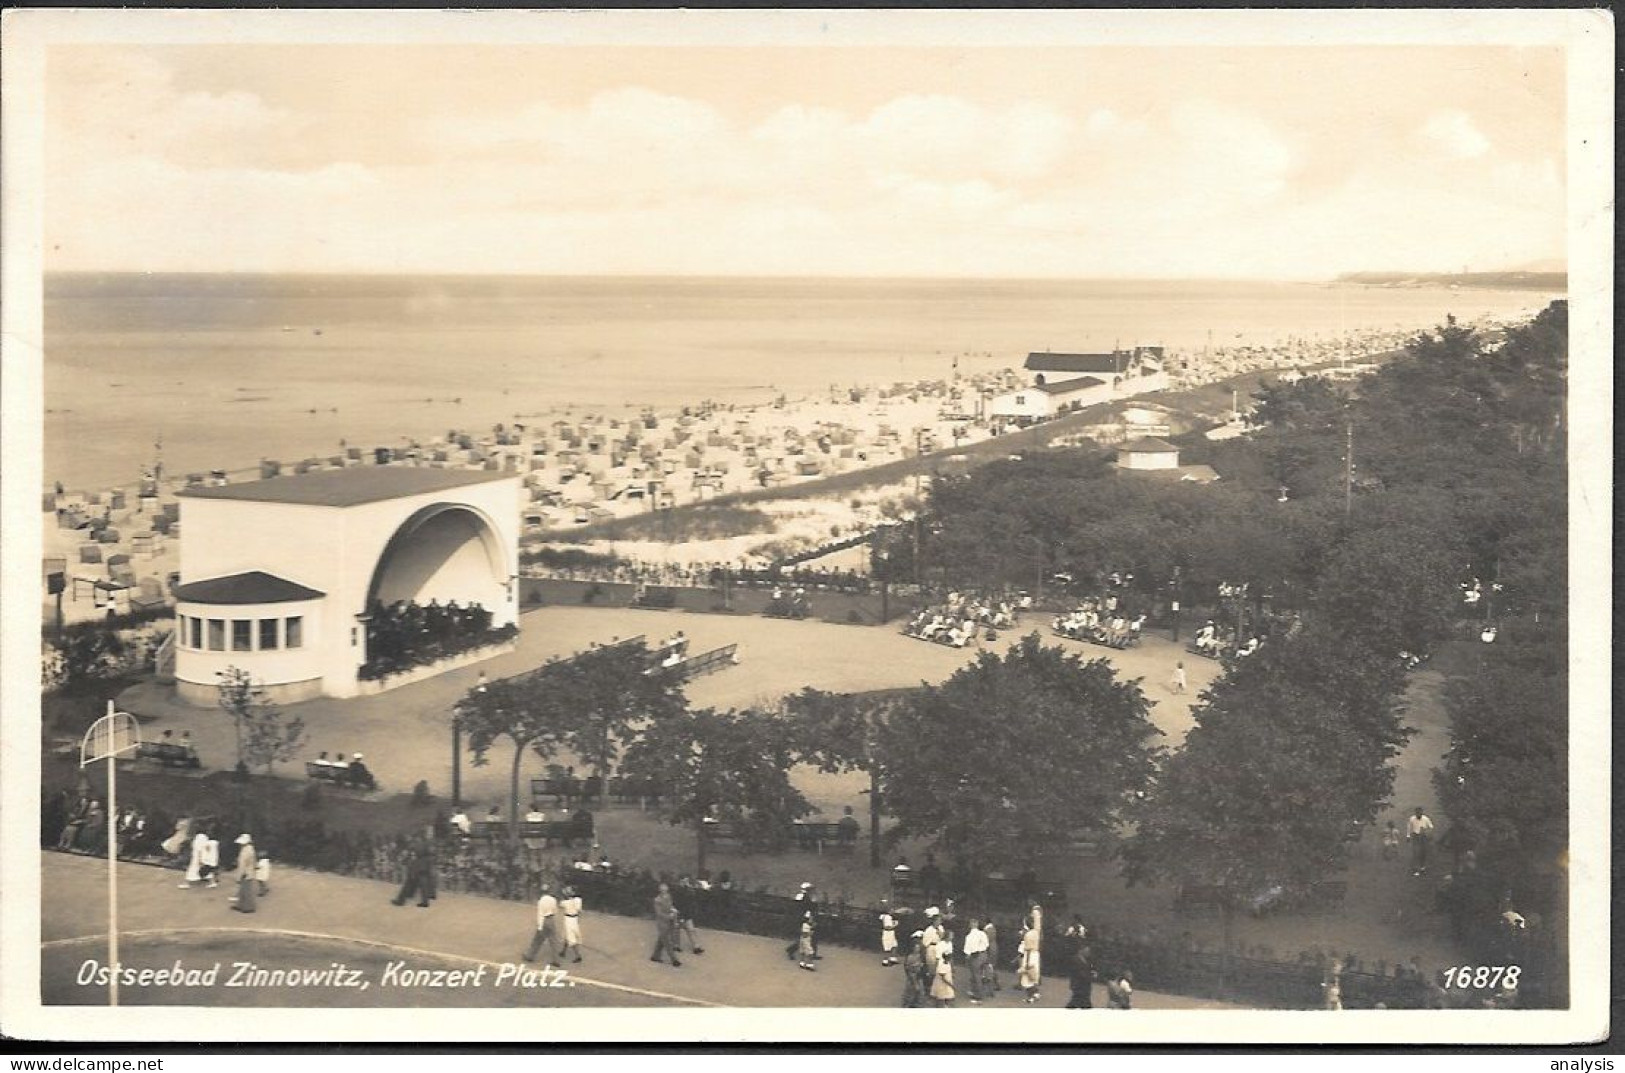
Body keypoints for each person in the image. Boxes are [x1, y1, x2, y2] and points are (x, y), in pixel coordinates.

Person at [391, 834, 435, 908]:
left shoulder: (416, 845)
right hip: (425, 867)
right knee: (423, 885)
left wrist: (408, 855)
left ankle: (400, 901)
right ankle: (425, 902)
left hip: (417, 867)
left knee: (407, 884)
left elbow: (414, 854)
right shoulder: (427, 845)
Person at [524, 883, 562, 964]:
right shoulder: (553, 900)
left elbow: (540, 914)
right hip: (551, 919)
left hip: (544, 920)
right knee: (554, 941)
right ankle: (556, 960)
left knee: (537, 940)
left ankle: (529, 956)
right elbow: (555, 911)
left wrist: (540, 927)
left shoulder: (541, 901)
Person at [649, 883, 681, 967]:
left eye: (665, 890)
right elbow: (659, 913)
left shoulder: (668, 896)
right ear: (660, 890)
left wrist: (673, 909)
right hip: (662, 922)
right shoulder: (657, 900)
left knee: (661, 940)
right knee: (667, 942)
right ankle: (674, 960)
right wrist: (669, 916)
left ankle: (655, 956)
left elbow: (670, 905)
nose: (664, 891)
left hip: (669, 921)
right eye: (662, 890)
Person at [228, 834, 257, 913]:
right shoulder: (251, 849)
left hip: (245, 873)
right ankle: (241, 905)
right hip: (250, 871)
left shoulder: (244, 851)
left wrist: (238, 876)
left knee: (246, 890)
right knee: (243, 890)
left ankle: (247, 907)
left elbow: (242, 865)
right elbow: (254, 861)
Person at [962, 918, 989, 1003]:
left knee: (975, 976)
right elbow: (987, 944)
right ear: (977, 924)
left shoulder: (969, 936)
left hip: (975, 956)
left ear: (970, 925)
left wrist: (967, 958)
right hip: (983, 955)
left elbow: (967, 950)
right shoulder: (982, 933)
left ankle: (978, 996)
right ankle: (978, 992)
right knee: (981, 974)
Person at [1017, 923, 1043, 1004]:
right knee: (1032, 976)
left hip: (1029, 956)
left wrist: (1027, 963)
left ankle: (1031, 997)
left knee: (1027, 978)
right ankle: (1036, 993)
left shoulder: (1028, 935)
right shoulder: (1036, 933)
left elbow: (1027, 949)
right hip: (1035, 955)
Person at [558, 886, 585, 964]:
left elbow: (560, 905)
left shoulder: (567, 902)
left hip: (569, 920)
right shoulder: (578, 900)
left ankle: (578, 956)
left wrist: (563, 895)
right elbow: (579, 910)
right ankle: (563, 951)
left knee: (571, 938)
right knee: (567, 935)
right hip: (574, 919)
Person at [1407, 806, 1435, 876]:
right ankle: (1416, 869)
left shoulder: (1425, 819)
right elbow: (1409, 827)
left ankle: (1422, 868)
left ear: (1422, 813)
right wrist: (1408, 836)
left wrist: (1427, 832)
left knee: (1423, 852)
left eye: (1420, 813)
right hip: (1415, 836)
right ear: (1415, 813)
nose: (1418, 814)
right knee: (1416, 853)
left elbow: (1431, 826)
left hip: (1423, 837)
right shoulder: (1412, 819)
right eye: (1417, 813)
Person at [901, 932, 926, 1008]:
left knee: (920, 994)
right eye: (916, 948)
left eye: (918, 948)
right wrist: (915, 983)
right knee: (910, 994)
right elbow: (910, 971)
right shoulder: (910, 957)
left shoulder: (920, 956)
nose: (917, 949)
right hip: (912, 978)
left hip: (919, 977)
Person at [1067, 944, 1095, 1009]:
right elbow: (1080, 973)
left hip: (1084, 986)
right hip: (1078, 985)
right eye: (1087, 951)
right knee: (1080, 1002)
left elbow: (1087, 970)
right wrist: (1091, 976)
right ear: (1081, 950)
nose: (1088, 953)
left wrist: (1092, 973)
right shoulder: (1075, 959)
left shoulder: (1086, 960)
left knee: (1078, 1002)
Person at [929, 935, 955, 1005]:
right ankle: (938, 996)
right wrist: (936, 966)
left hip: (947, 962)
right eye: (950, 936)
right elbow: (938, 956)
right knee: (940, 980)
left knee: (948, 977)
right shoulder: (940, 944)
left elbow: (950, 954)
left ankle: (946, 997)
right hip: (941, 961)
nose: (951, 937)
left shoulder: (950, 943)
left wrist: (952, 966)